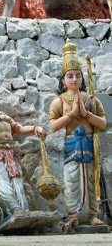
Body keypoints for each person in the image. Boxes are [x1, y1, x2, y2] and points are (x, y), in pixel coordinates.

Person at [48, 39, 107, 228]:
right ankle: (72, 213)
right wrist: (71, 115)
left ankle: (93, 214)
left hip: (90, 142)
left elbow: (103, 123)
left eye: (78, 76)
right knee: (71, 179)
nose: (75, 79)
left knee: (92, 178)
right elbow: (53, 126)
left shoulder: (91, 99)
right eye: (70, 76)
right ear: (63, 80)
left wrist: (87, 114)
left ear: (82, 78)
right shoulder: (59, 101)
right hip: (72, 143)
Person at [0, 85, 46, 215]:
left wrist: (35, 128)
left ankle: (24, 210)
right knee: (3, 180)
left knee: (17, 182)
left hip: (10, 153)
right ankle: (14, 209)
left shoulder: (4, 116)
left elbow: (19, 129)